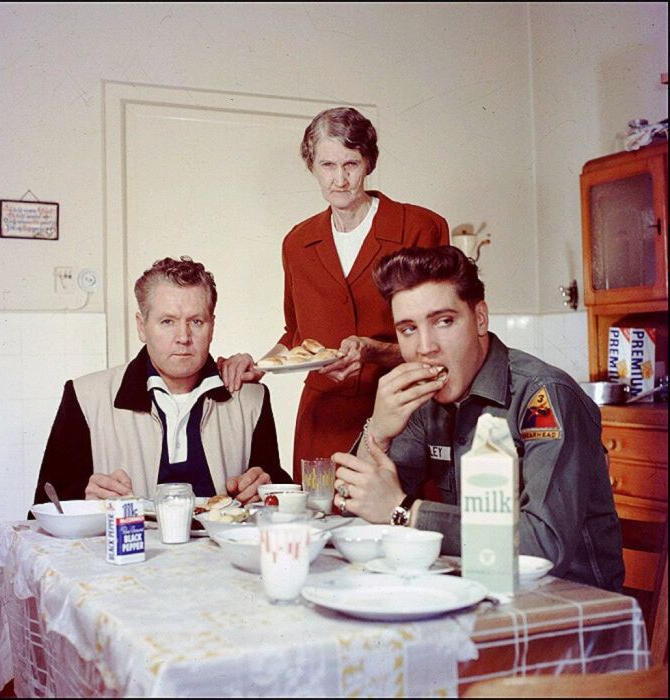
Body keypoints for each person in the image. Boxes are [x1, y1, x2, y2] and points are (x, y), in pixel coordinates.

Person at [331, 245, 624, 592]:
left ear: (480, 319)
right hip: (476, 591)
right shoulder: (425, 402)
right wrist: (377, 432)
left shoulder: (544, 396)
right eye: (408, 329)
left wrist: (404, 511)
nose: (425, 347)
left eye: (443, 321)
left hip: (569, 607)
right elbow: (353, 515)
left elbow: (544, 546)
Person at [218, 107, 449, 482]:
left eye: (351, 164)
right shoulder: (297, 242)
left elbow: (440, 341)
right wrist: (260, 364)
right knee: (320, 525)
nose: (339, 180)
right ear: (311, 166)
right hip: (322, 420)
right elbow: (296, 335)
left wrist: (372, 351)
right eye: (327, 165)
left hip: (403, 414)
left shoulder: (420, 228)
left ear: (369, 163)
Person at [32, 256, 290, 506]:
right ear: (142, 327)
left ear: (212, 326)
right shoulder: (86, 396)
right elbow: (46, 505)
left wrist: (266, 487)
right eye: (167, 321)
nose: (183, 337)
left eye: (196, 321)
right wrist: (85, 499)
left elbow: (272, 489)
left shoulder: (251, 399)